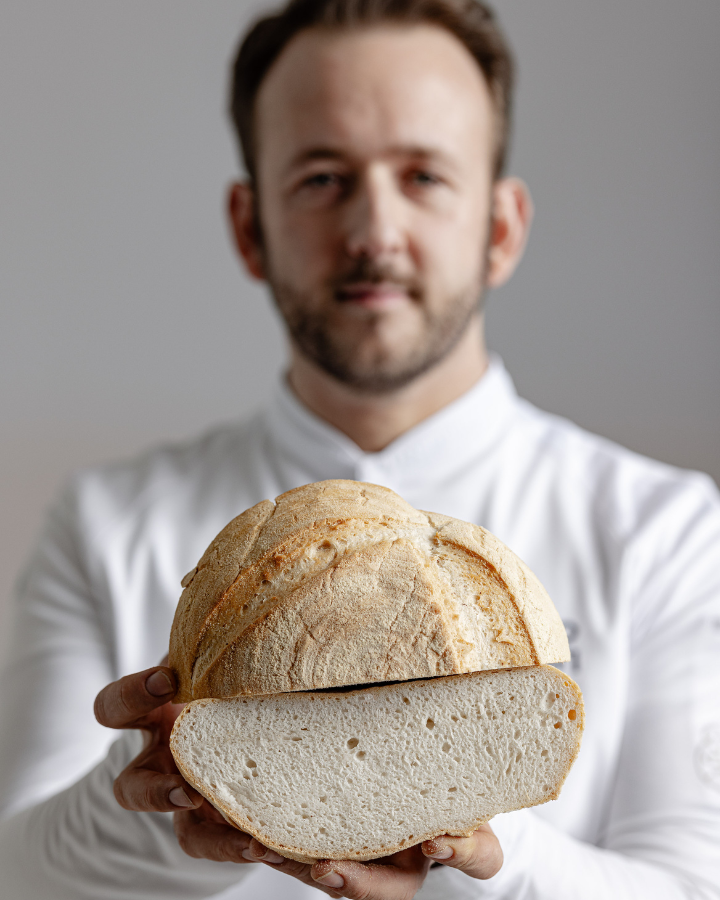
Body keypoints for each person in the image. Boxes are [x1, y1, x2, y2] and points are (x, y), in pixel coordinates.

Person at [1, 0, 719, 897]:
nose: (375, 232)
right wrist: (160, 807)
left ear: (500, 227)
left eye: (423, 176)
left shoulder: (667, 528)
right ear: (248, 227)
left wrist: (496, 855)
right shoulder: (104, 525)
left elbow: (693, 884)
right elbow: (17, 875)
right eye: (322, 178)